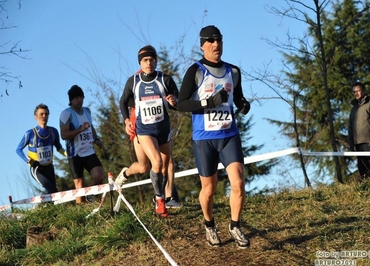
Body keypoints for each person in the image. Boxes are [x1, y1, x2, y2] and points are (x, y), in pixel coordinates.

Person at [177, 25, 251, 249]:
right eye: (210, 41)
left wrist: (244, 105)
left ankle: (235, 225)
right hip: (204, 138)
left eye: (218, 40)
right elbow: (181, 103)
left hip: (229, 135)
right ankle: (209, 225)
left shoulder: (233, 71)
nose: (215, 44)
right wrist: (208, 103)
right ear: (202, 45)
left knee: (238, 181)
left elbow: (238, 99)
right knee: (209, 189)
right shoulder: (196, 70)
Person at [118, 45, 179, 217]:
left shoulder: (165, 80)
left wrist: (174, 101)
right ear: (140, 63)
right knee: (157, 163)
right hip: (145, 131)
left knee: (165, 168)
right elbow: (123, 102)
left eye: (152, 59)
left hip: (163, 130)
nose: (149, 63)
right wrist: (127, 120)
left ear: (156, 60)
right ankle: (160, 200)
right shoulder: (134, 81)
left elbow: (178, 101)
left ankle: (157, 196)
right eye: (145, 60)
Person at [59, 85, 105, 203]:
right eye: (76, 98)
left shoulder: (87, 111)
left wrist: (96, 139)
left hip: (89, 150)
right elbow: (64, 135)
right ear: (71, 100)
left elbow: (91, 127)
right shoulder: (66, 114)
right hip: (75, 154)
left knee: (99, 175)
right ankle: (81, 213)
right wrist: (79, 129)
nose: (79, 100)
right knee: (79, 186)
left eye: (81, 97)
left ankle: (90, 194)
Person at [16, 104, 67, 194]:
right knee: (52, 190)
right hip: (37, 168)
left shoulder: (53, 131)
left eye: (46, 114)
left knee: (52, 193)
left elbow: (59, 147)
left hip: (49, 167)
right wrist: (28, 160)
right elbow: (18, 150)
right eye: (41, 114)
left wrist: (68, 154)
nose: (44, 116)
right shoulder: (30, 133)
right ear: (36, 117)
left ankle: (47, 207)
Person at [348, 82, 370, 180]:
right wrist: (351, 142)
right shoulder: (353, 109)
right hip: (358, 143)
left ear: (363, 91)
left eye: (358, 91)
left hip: (369, 140)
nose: (356, 93)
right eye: (354, 92)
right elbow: (350, 127)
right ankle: (367, 187)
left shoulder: (369, 104)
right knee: (363, 167)